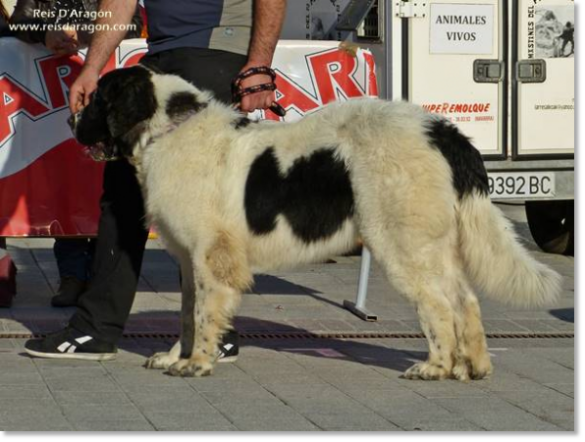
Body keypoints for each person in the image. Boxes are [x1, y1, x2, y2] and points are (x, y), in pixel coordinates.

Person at [25, 0, 287, 361]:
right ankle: (97, 330)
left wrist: (258, 64)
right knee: (124, 189)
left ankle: (211, 331)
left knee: (198, 209)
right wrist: (92, 68)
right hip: (164, 55)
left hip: (215, 49)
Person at [11, 0, 143, 307]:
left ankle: (99, 276)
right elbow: (19, 20)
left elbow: (134, 22)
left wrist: (79, 33)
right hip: (55, 99)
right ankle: (71, 276)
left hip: (106, 94)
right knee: (66, 188)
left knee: (106, 186)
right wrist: (46, 32)